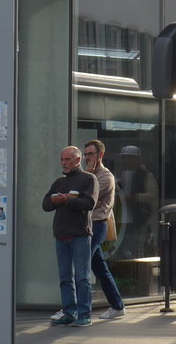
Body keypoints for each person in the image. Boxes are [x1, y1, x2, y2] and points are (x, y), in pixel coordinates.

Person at [42, 146, 98, 326]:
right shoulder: (59, 182)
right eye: (62, 159)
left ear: (78, 160)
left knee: (82, 277)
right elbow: (45, 204)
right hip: (61, 235)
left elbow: (89, 203)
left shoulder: (89, 179)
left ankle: (84, 314)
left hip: (80, 234)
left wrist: (69, 200)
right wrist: (54, 200)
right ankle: (69, 312)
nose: (64, 163)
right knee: (65, 277)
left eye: (67, 159)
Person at [85, 139, 126, 319]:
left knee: (81, 264)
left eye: (90, 154)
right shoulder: (87, 174)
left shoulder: (105, 176)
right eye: (85, 154)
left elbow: (87, 198)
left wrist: (86, 197)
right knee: (99, 268)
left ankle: (77, 308)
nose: (87, 157)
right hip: (87, 224)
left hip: (98, 224)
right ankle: (117, 306)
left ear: (100, 154)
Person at [115, 145, 158, 257]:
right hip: (121, 217)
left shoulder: (145, 174)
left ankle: (139, 270)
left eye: (131, 157)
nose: (128, 160)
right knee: (120, 247)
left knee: (137, 246)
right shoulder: (119, 173)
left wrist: (134, 198)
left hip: (139, 217)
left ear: (137, 159)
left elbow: (153, 194)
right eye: (125, 157)